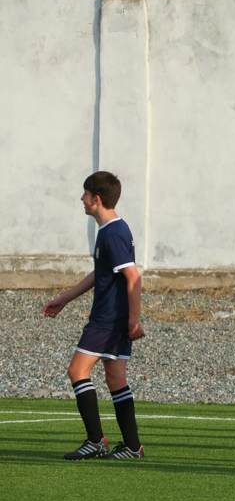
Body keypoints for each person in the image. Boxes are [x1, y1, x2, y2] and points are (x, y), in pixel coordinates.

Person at [43, 171, 147, 460]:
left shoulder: (112, 233)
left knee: (77, 371)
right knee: (115, 378)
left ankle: (95, 441)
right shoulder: (114, 229)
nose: (82, 198)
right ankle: (133, 446)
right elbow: (102, 272)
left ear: (96, 199)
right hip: (115, 318)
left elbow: (133, 277)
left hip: (108, 319)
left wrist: (134, 320)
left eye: (85, 194)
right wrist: (65, 297)